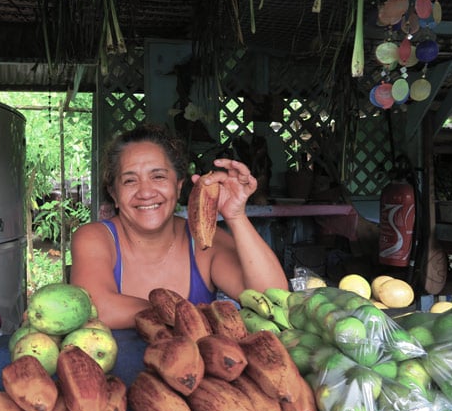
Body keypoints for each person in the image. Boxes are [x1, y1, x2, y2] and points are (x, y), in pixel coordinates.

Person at [70, 123, 288, 329]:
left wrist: (236, 216)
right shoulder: (95, 238)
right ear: (114, 194)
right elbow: (97, 308)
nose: (146, 192)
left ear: (179, 185)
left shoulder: (205, 242)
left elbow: (272, 300)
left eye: (158, 177)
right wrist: (190, 316)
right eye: (130, 181)